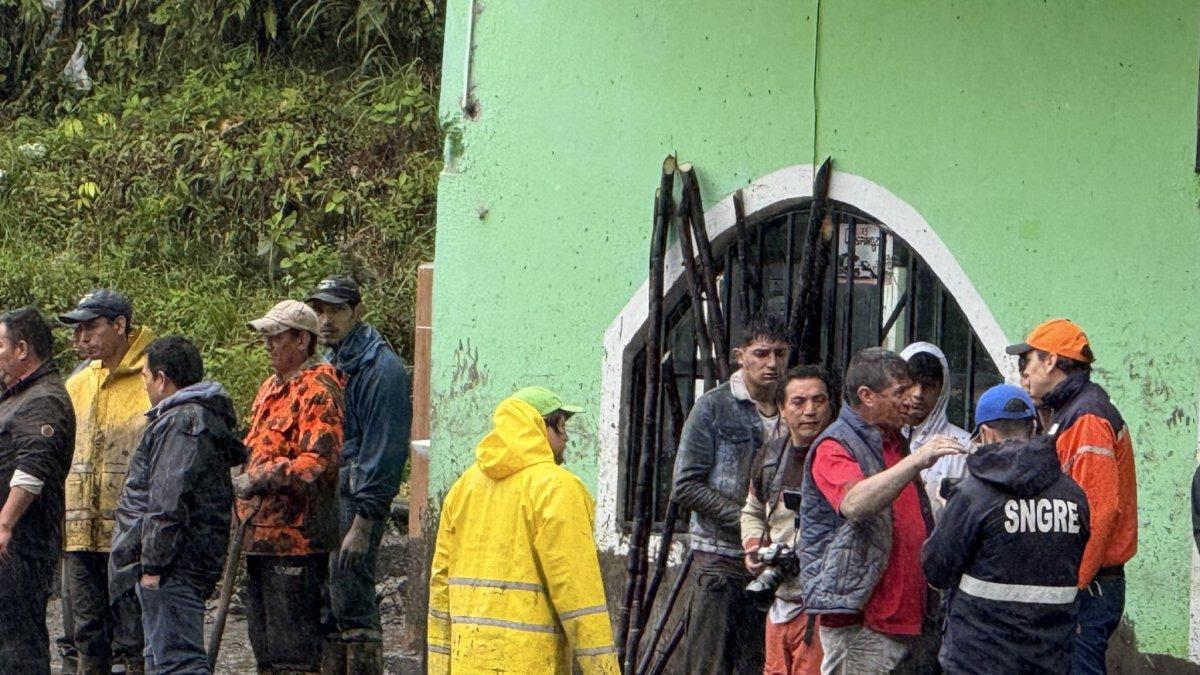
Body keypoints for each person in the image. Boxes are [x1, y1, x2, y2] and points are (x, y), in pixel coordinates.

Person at [427, 387, 618, 674]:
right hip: (532, 664)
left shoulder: (463, 488)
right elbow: (580, 598)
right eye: (561, 426)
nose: (565, 438)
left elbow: (440, 588)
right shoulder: (558, 489)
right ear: (538, 428)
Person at [799, 348, 960, 675]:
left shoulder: (894, 441)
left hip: (910, 621)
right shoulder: (835, 446)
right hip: (861, 624)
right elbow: (855, 503)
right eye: (899, 392)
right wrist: (917, 461)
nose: (911, 399)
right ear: (867, 396)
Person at [922, 384, 1090, 674]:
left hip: (977, 659)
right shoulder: (1074, 495)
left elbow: (936, 571)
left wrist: (951, 511)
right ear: (1034, 426)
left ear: (986, 433)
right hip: (1049, 659)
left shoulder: (973, 495)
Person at [109, 336, 246, 674]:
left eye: (145, 376)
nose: (144, 385)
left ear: (161, 378)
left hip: (174, 565)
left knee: (177, 662)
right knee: (162, 660)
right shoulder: (187, 418)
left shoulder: (182, 421)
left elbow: (168, 500)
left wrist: (153, 565)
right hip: (175, 563)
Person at [1008, 319, 1137, 675]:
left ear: (1050, 361)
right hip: (1085, 582)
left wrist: (1073, 585)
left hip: (1087, 586)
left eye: (1027, 362)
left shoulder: (1086, 416)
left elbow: (1099, 509)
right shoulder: (1073, 411)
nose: (1024, 374)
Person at [672, 314, 791, 675]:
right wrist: (747, 522)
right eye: (761, 353)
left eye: (781, 353)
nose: (772, 363)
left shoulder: (795, 408)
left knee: (757, 666)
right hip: (720, 561)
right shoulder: (714, 407)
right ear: (741, 356)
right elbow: (685, 485)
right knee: (709, 666)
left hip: (775, 567)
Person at [306, 275, 412, 674]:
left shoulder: (382, 369)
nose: (326, 319)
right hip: (329, 495)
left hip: (357, 497)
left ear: (357, 311)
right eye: (320, 310)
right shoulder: (331, 361)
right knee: (327, 602)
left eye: (336, 310)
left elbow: (385, 450)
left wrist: (364, 522)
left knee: (352, 598)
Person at [236, 300, 346, 674]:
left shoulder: (318, 389)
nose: (268, 345)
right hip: (259, 537)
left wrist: (265, 475)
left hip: (297, 542)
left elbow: (317, 465)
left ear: (302, 340)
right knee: (264, 648)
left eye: (276, 337)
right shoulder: (270, 388)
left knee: (293, 655)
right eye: (265, 337)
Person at [58, 289, 155, 674]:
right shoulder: (77, 383)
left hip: (130, 532)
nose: (81, 338)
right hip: (79, 530)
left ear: (120, 325)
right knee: (85, 632)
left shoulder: (152, 375)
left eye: (91, 327)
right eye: (77, 330)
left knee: (133, 635)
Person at [740, 365, 836, 675]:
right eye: (798, 402)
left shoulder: (841, 458)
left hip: (822, 606)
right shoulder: (770, 457)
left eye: (818, 400)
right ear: (782, 409)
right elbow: (752, 510)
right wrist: (755, 549)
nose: (810, 410)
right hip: (778, 598)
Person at [0, 307, 76, 673]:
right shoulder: (18, 395)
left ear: (22, 349)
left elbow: (32, 469)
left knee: (18, 640)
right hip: (13, 541)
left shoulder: (43, 398)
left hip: (23, 542)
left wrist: (5, 524)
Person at [899, 342, 972, 519]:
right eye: (911, 384)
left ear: (941, 389)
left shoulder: (963, 447)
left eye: (928, 386)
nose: (918, 393)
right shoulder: (879, 439)